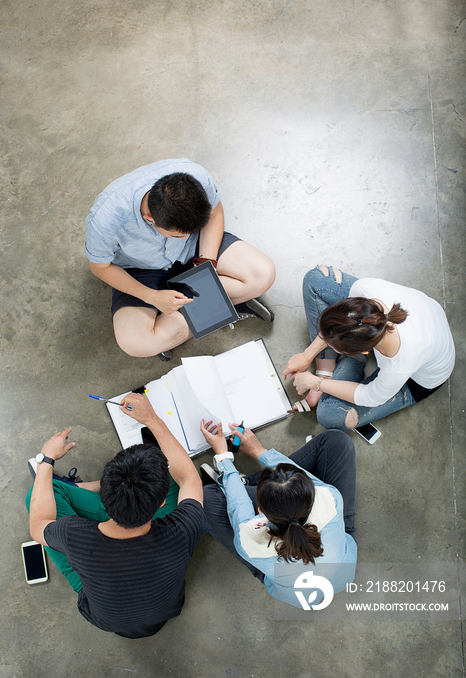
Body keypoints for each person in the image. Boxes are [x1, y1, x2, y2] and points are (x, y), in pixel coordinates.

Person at [26, 393, 206, 638]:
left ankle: (71, 488)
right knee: (178, 482)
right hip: (165, 609)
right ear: (161, 503)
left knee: (36, 497)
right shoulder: (185, 528)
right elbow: (188, 478)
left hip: (104, 616)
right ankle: (69, 488)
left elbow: (38, 526)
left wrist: (45, 461)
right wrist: (151, 419)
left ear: (106, 494)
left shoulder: (74, 535)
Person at [85, 159, 276, 359]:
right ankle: (223, 305)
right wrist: (151, 297)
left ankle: (179, 324)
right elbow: (100, 267)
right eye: (177, 235)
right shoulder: (105, 220)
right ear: (150, 218)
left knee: (263, 274)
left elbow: (215, 211)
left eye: (189, 230)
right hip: (140, 269)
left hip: (195, 248)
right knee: (135, 343)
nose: (183, 236)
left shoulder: (195, 178)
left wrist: (206, 264)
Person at [199, 420, 357, 608]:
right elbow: (301, 475)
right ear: (310, 494)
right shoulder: (329, 497)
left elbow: (238, 507)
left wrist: (224, 458)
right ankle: (257, 484)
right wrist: (258, 451)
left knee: (207, 498)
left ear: (259, 511)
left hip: (293, 588)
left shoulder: (250, 541)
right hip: (342, 571)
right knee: (337, 441)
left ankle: (244, 483)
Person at [283, 265, 455, 430]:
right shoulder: (366, 291)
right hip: (428, 320)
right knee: (316, 279)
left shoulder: (399, 365)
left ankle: (347, 364)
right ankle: (327, 369)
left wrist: (315, 382)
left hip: (418, 379)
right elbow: (338, 325)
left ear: (365, 351)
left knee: (330, 415)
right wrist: (307, 354)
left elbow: (369, 397)